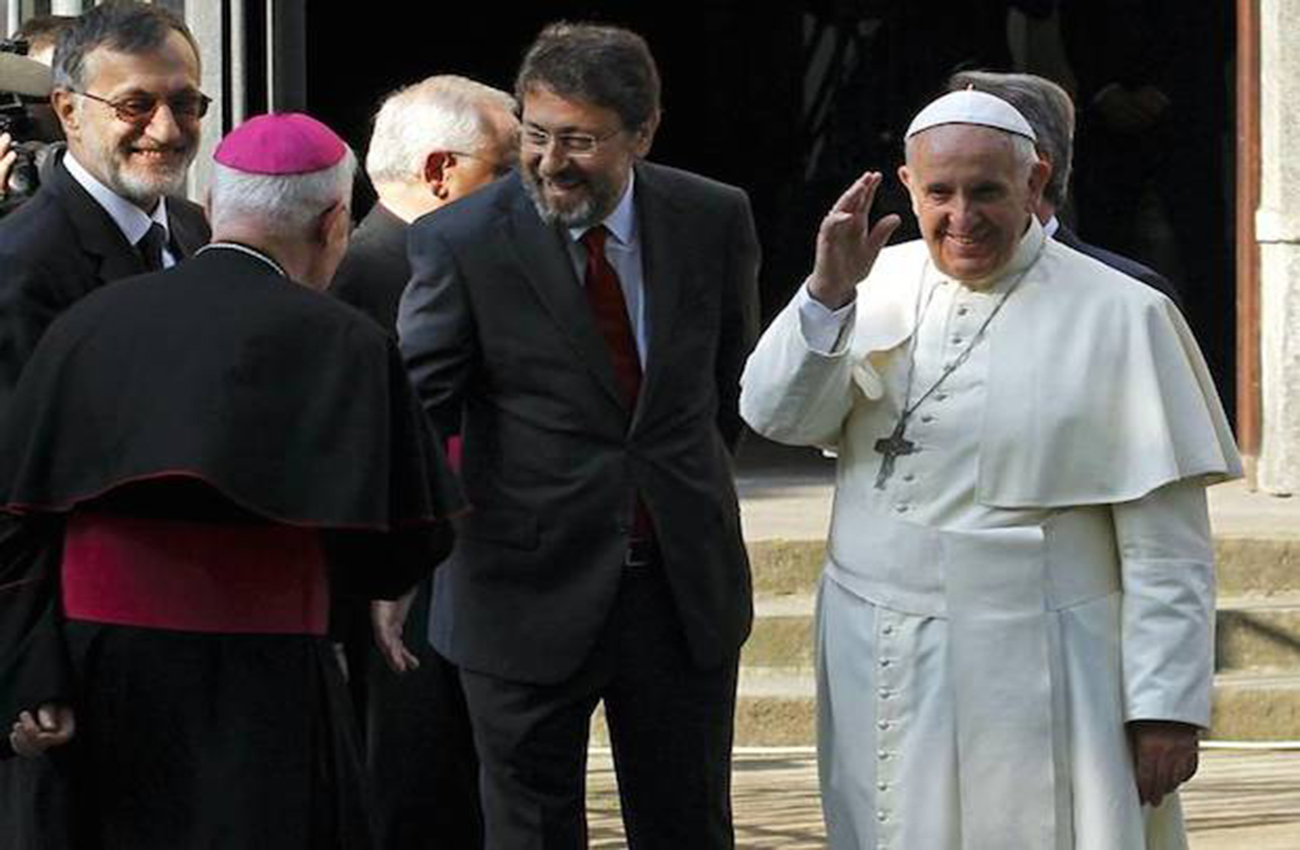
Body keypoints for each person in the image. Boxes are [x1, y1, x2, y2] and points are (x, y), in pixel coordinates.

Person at [739, 89, 1241, 848]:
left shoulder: (1124, 313)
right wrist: (827, 295)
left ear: (1036, 184)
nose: (961, 217)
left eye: (987, 192)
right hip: (882, 642)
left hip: (1059, 654)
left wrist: (1167, 705)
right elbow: (776, 417)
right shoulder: (865, 284)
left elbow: (1167, 545)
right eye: (939, 193)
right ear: (908, 187)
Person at [0, 111, 462, 849]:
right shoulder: (347, 344)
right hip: (269, 682)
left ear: (212, 203)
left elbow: (18, 516)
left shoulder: (88, 325)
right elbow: (404, 544)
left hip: (98, 673)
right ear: (335, 222)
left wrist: (34, 672)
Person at [398, 21, 760, 848]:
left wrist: (674, 496)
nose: (551, 162)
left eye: (580, 141)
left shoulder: (712, 218)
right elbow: (422, 412)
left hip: (679, 591)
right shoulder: (459, 242)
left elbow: (726, 391)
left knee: (689, 824)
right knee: (528, 828)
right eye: (534, 134)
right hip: (519, 592)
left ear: (642, 133)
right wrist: (402, 555)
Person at [0, 4, 210, 846]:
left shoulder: (191, 233)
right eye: (136, 106)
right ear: (68, 110)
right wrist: (28, 667)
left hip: (185, 638)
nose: (166, 128)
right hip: (76, 669)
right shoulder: (22, 271)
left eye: (187, 103)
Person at [330, 73, 518, 850]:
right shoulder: (361, 282)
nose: (531, 192)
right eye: (508, 172)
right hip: (403, 600)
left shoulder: (452, 267)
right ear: (442, 172)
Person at [948, 69, 1183, 307]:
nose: (958, 213)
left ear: (1033, 177)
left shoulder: (1132, 296)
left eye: (982, 186)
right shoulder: (914, 284)